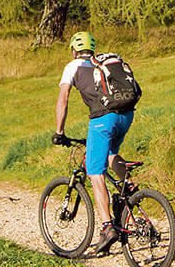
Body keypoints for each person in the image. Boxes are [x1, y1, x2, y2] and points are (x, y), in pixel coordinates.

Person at [53, 31, 134, 255]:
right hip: (126, 115)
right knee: (110, 154)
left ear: (73, 50)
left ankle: (108, 227)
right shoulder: (102, 65)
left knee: (94, 171)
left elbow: (63, 98)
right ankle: (129, 188)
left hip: (103, 119)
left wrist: (59, 131)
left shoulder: (73, 66)